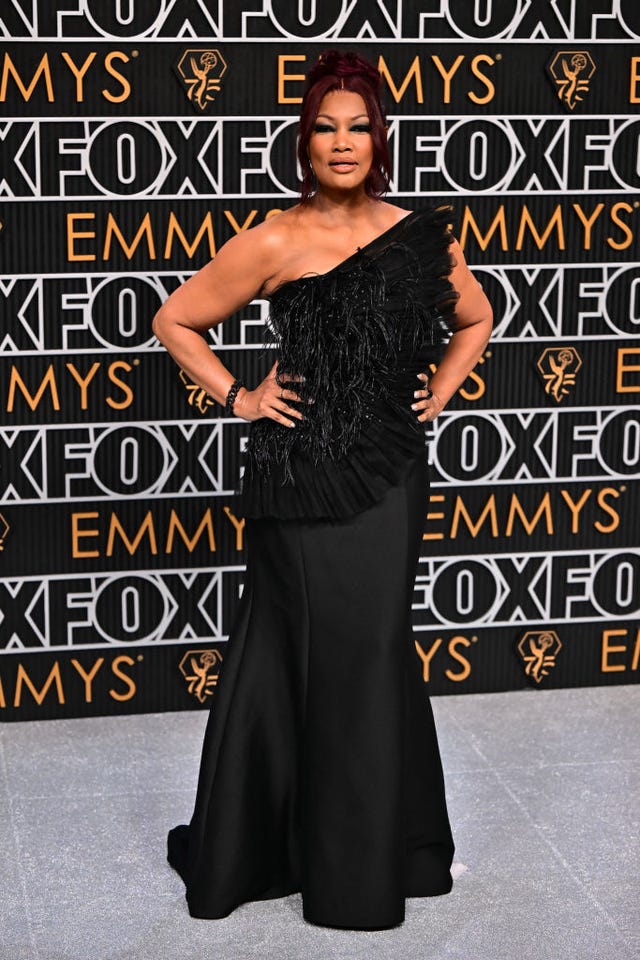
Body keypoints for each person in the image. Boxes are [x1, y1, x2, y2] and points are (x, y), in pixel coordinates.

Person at [153, 49, 493, 931]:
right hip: (298, 477)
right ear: (303, 142)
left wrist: (441, 389)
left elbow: (476, 316)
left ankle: (383, 856)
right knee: (294, 653)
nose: (342, 143)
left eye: (359, 127)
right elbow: (175, 319)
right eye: (324, 128)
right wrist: (242, 397)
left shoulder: (420, 235)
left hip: (390, 477)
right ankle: (296, 856)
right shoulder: (273, 238)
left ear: (379, 139)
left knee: (373, 653)